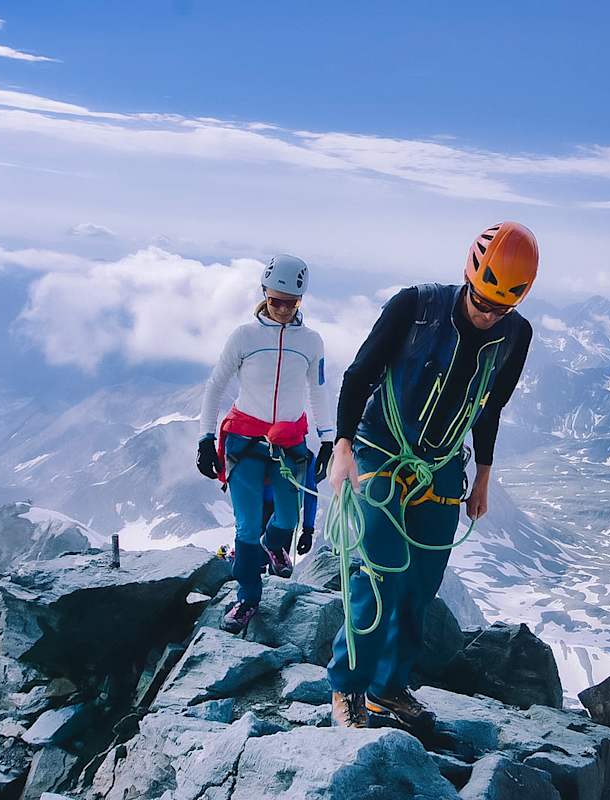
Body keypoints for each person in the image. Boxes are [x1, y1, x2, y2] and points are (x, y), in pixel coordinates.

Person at [326, 222, 537, 729]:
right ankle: (347, 688)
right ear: (468, 276)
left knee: (422, 581)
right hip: (380, 448)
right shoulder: (414, 307)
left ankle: (389, 687)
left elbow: (489, 408)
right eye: (482, 303)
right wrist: (342, 446)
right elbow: (360, 375)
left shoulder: (515, 335)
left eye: (500, 309)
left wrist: (483, 475)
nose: (488, 316)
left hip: (442, 464)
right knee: (379, 573)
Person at [197, 254, 335, 633]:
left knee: (287, 520)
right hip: (245, 441)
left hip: (289, 442)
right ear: (264, 294)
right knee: (244, 529)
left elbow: (318, 390)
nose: (282, 310)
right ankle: (247, 599)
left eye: (290, 304)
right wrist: (206, 438)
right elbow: (215, 386)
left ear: (301, 301)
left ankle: (273, 545)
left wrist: (327, 439)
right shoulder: (244, 337)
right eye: (275, 301)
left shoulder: (311, 342)